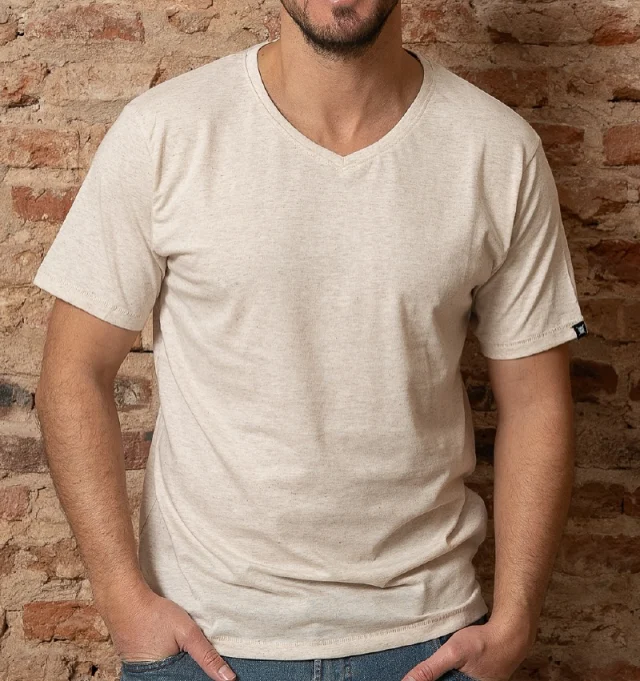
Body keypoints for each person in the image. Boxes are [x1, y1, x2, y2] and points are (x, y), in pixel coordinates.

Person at [32, 0, 588, 680]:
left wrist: (516, 619)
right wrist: (120, 594)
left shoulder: (496, 149)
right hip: (206, 639)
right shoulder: (165, 132)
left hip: (427, 639)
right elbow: (73, 370)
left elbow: (535, 400)